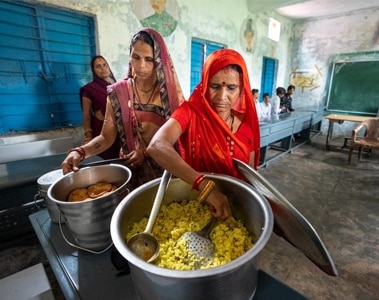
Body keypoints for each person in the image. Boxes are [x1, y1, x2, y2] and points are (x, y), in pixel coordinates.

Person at [62, 28, 184, 188]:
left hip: (165, 172)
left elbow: (178, 139)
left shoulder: (169, 96)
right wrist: (80, 152)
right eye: (136, 57)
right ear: (130, 57)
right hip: (132, 169)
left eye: (149, 59)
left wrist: (145, 152)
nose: (141, 66)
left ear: (159, 61)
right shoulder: (119, 93)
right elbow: (106, 137)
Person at [147, 49, 260, 219]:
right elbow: (156, 145)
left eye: (231, 88)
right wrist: (204, 185)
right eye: (214, 86)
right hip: (193, 206)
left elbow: (249, 175)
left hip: (234, 212)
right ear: (205, 84)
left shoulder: (246, 128)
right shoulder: (190, 112)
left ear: (242, 89)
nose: (222, 96)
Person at [80, 55, 120, 160]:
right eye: (98, 66)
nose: (103, 68)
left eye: (104, 65)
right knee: (106, 160)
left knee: (120, 159)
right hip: (101, 130)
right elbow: (86, 114)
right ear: (94, 70)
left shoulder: (117, 86)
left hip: (119, 131)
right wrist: (88, 136)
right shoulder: (89, 90)